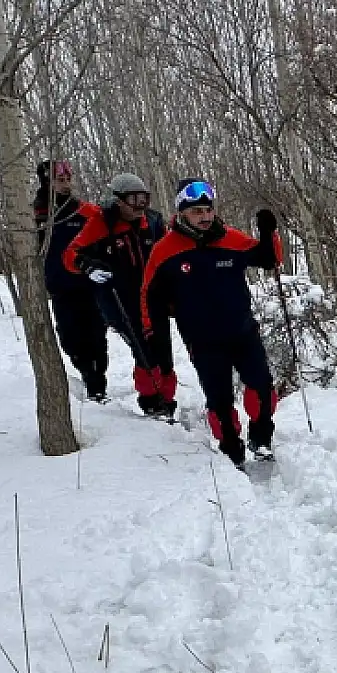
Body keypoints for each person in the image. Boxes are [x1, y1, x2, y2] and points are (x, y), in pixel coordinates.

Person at [141, 179, 282, 467]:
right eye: (197, 212)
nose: (205, 217)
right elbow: (149, 295)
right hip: (203, 341)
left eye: (208, 209)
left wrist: (269, 233)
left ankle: (261, 437)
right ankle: (232, 450)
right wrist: (151, 330)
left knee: (263, 388)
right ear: (182, 213)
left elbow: (268, 259)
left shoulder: (230, 238)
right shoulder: (165, 250)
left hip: (243, 331)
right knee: (220, 402)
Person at [63, 172, 177, 418]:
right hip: (118, 300)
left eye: (144, 199)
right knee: (144, 349)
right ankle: (152, 401)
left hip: (153, 297)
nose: (140, 207)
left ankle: (167, 399)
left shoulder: (154, 222)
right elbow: (71, 253)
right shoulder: (101, 224)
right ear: (117, 201)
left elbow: (171, 250)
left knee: (163, 351)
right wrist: (87, 266)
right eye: (133, 200)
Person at [35, 160, 109, 401]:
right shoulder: (36, 214)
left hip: (90, 285)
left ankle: (97, 385)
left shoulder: (86, 211)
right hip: (61, 288)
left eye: (68, 180)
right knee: (70, 337)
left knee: (97, 336)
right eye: (60, 180)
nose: (66, 185)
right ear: (48, 182)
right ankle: (85, 372)